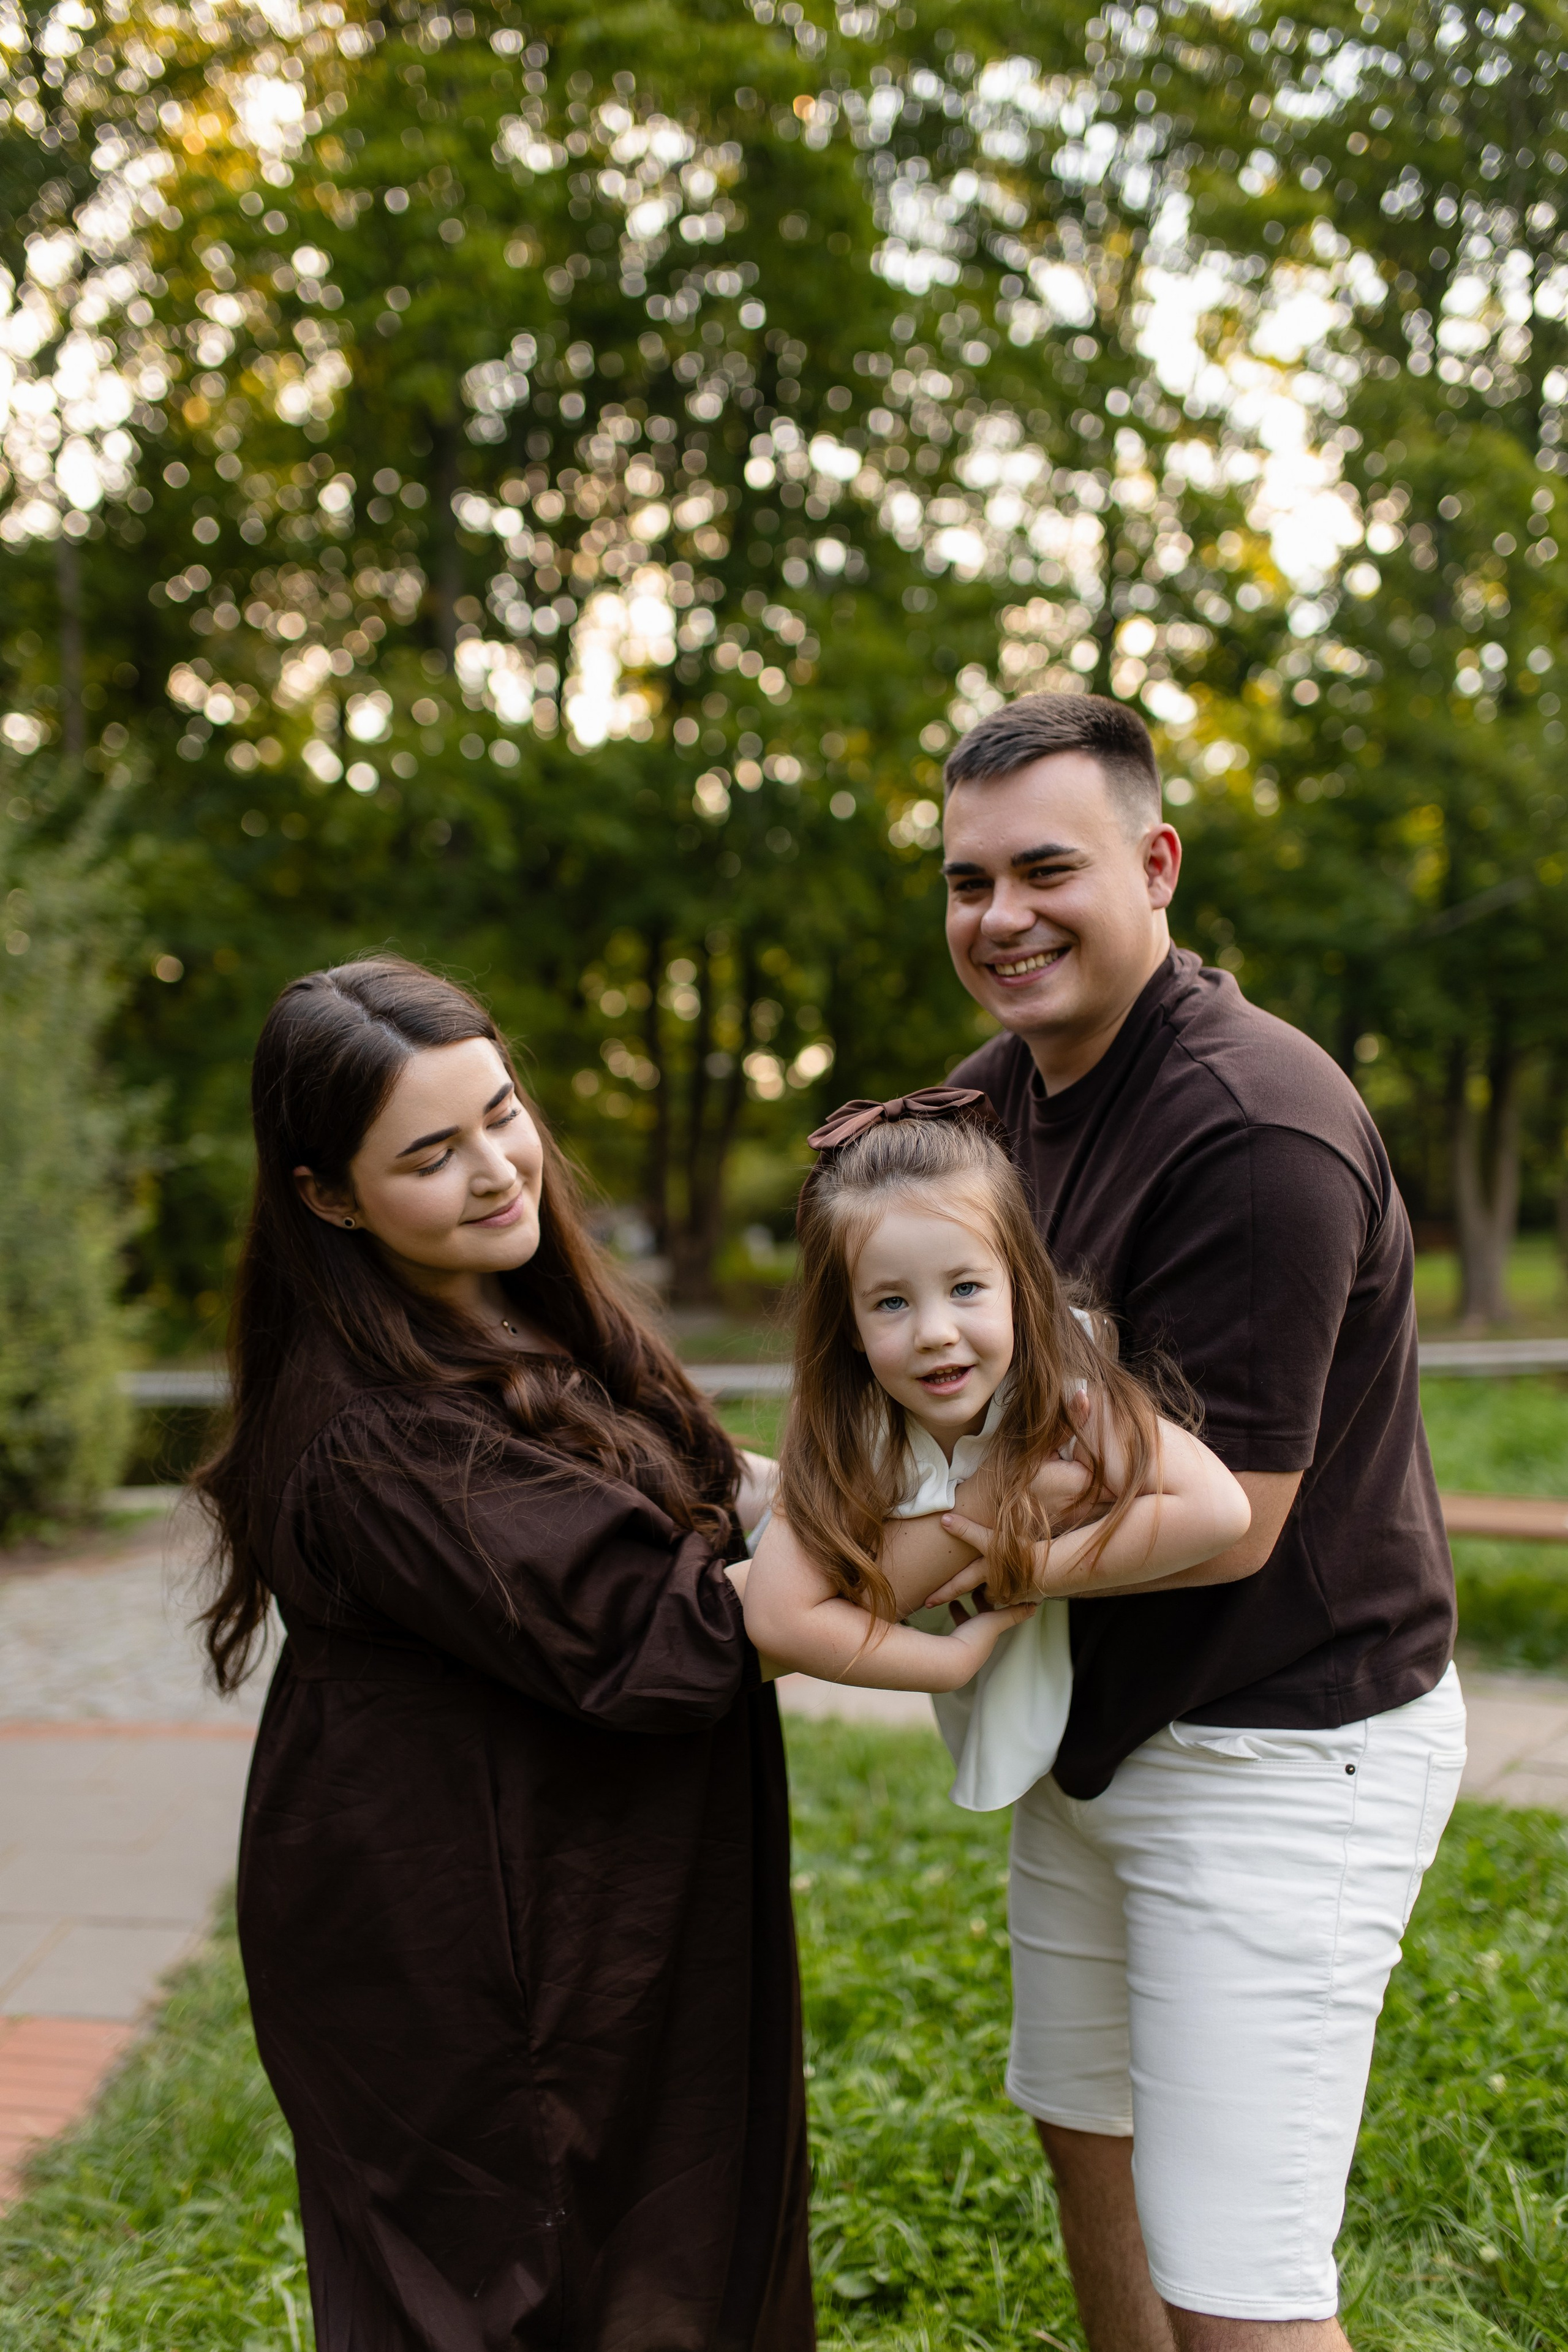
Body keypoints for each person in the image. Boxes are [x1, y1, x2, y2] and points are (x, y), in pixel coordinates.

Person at [930, 693, 1464, 2352]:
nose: (1001, 918)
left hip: (1285, 1750)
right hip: (1107, 1728)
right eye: (965, 884)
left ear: (1156, 865)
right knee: (1091, 2147)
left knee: (1236, 2289)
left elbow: (1233, 1526)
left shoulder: (1249, 1128)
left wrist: (938, 1567)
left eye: (1045, 870)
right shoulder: (1008, 1095)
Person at [194, 956, 814, 2352]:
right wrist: (1003, 1556)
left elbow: (732, 1485)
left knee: (668, 2241)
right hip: (465, 1946)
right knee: (524, 2287)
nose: (496, 1168)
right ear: (327, 1194)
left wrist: (945, 1459)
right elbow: (692, 1630)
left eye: (500, 1111)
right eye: (431, 1151)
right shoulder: (376, 1431)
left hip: (598, 1886)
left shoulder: (522, 1312)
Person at [742, 1091, 1251, 1817]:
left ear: (1021, 1288)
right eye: (890, 1302)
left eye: (966, 1287)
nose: (935, 1332)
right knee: (733, 1501)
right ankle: (734, 1481)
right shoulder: (843, 1418)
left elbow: (1218, 1510)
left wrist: (1032, 1567)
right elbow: (778, 1617)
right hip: (840, 1561)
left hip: (1116, 1719)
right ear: (848, 1325)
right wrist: (946, 1664)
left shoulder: (1062, 1387)